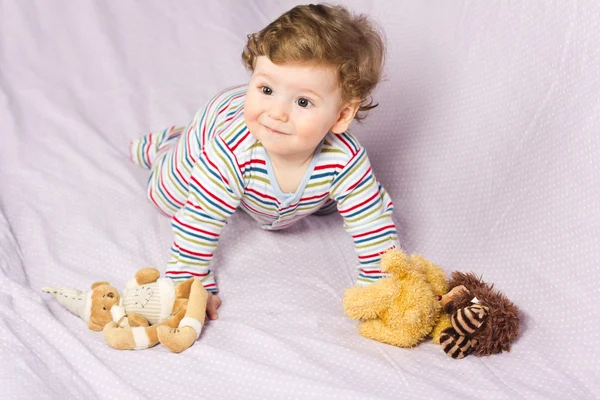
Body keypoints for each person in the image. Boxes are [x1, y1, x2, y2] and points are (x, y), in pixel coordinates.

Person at [130, 3, 399, 320]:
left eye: (302, 101)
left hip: (267, 180)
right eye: (266, 89)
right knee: (167, 197)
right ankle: (166, 145)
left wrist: (381, 286)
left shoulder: (345, 160)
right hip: (212, 130)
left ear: (341, 115)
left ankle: (183, 141)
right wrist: (190, 282)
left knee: (330, 205)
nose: (276, 112)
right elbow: (199, 219)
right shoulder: (229, 152)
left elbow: (372, 221)